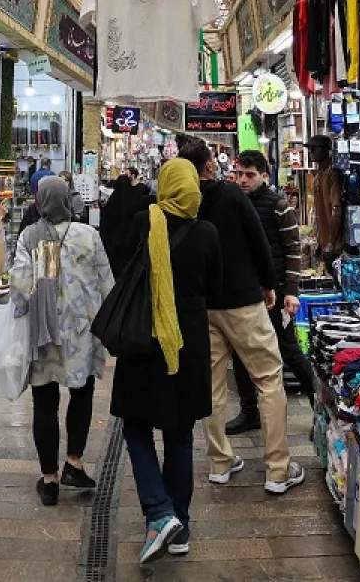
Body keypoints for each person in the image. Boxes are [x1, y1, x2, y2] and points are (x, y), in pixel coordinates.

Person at [176, 136, 304, 494]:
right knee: (268, 378)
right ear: (209, 166)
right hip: (243, 301)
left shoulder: (180, 199)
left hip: (204, 305)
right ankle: (277, 469)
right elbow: (258, 242)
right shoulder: (231, 195)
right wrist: (268, 285)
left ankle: (220, 462)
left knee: (213, 384)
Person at [110, 158, 221, 563]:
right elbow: (216, 286)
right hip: (187, 343)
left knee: (136, 426)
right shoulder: (207, 232)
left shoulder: (144, 221)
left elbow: (119, 261)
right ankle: (181, 527)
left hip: (144, 337)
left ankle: (159, 512)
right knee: (179, 434)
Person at [10, 176, 114, 505]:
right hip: (83, 331)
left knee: (45, 403)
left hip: (45, 333)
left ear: (40, 202)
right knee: (81, 394)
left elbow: (22, 287)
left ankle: (49, 479)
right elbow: (107, 283)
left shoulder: (31, 236)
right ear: (70, 200)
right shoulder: (89, 235)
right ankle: (74, 463)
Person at [226, 150, 316, 434]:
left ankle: (320, 409)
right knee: (240, 352)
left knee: (290, 350)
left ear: (264, 176)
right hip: (244, 291)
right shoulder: (232, 204)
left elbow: (293, 250)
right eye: (239, 174)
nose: (243, 180)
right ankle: (249, 411)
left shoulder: (279, 206)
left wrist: (291, 291)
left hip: (275, 291)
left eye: (250, 175)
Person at [98, 168, 155, 272]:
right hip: (130, 244)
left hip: (112, 246)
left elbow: (104, 225)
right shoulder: (135, 200)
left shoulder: (111, 203)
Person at [307, 135, 346, 264]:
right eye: (310, 149)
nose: (311, 152)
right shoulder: (319, 175)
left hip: (335, 245)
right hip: (325, 243)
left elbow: (337, 209)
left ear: (326, 150)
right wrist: (320, 241)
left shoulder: (332, 173)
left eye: (314, 149)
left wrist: (331, 243)